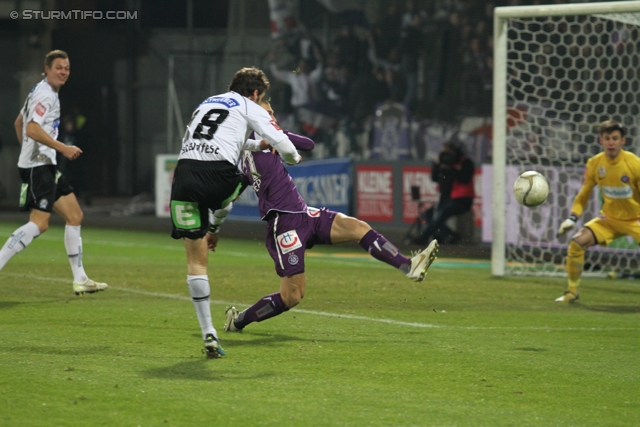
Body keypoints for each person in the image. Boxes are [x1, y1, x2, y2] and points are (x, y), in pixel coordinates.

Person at [219, 99, 439, 333]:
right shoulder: (250, 148)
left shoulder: (268, 139)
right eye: (268, 112)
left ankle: (408, 266)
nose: (273, 115)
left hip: (305, 214)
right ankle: (239, 321)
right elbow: (243, 180)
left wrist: (276, 136)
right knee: (292, 296)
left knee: (357, 227)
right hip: (284, 224)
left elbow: (308, 143)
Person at [170, 67, 301, 358]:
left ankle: (209, 335)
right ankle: (215, 228)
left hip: (183, 176)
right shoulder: (247, 105)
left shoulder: (207, 103)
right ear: (255, 94)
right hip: (218, 175)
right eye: (261, 97)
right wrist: (294, 157)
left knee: (195, 262)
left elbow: (221, 137)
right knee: (228, 194)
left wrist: (256, 143)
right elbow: (283, 143)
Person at [0, 50, 107, 296]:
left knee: (75, 215)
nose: (63, 72)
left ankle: (80, 279)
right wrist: (63, 148)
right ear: (46, 69)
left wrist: (27, 151)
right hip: (38, 166)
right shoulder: (45, 95)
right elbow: (32, 128)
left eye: (67, 68)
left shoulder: (41, 91)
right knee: (39, 224)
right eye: (58, 67)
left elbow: (19, 123)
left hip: (42, 163)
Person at [555, 120, 640, 303]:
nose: (611, 142)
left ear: (622, 141)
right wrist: (572, 217)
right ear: (601, 140)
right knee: (577, 243)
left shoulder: (634, 163)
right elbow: (584, 194)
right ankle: (571, 292)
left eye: (615, 138)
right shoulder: (594, 163)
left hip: (636, 219)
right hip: (609, 219)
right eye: (607, 138)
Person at [413, 141, 475, 245]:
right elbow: (434, 178)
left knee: (443, 211)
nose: (446, 156)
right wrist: (437, 165)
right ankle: (448, 235)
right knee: (428, 214)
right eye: (443, 153)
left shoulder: (465, 162)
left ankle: (424, 236)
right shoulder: (442, 163)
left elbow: (465, 178)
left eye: (448, 153)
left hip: (462, 200)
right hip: (446, 198)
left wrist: (451, 169)